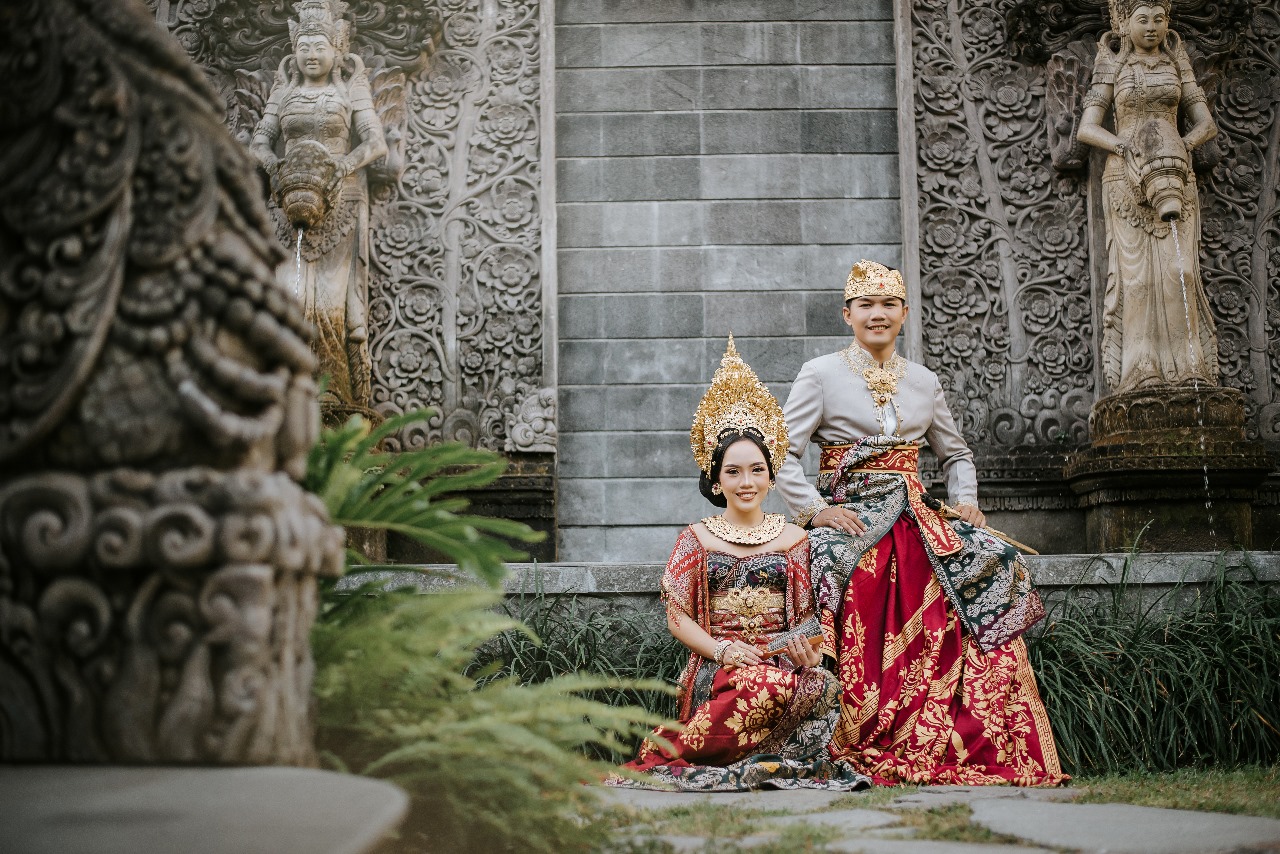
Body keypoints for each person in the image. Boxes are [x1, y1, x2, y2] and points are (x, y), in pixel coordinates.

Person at [777, 260, 1066, 786]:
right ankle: (839, 717)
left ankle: (973, 721)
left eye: (888, 304)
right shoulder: (819, 373)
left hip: (916, 510)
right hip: (852, 511)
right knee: (827, 560)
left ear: (905, 313)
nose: (878, 314)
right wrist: (816, 511)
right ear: (847, 314)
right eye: (866, 305)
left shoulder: (924, 381)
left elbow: (956, 455)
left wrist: (967, 501)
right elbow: (783, 455)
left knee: (992, 558)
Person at [611, 337, 869, 791]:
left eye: (756, 470)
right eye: (733, 471)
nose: (746, 482)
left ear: (772, 476)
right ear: (716, 479)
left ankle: (734, 752)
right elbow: (677, 617)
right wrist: (724, 650)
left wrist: (808, 654)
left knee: (823, 685)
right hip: (719, 668)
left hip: (781, 668)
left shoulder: (796, 539)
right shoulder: (695, 538)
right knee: (755, 685)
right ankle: (687, 749)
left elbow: (806, 621)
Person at [250, 0, 388, 408]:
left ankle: (331, 387)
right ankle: (281, 382)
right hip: (286, 199)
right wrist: (273, 166)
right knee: (286, 293)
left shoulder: (349, 89)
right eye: (304, 46)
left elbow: (375, 143)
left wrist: (343, 165)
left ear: (337, 50)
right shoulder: (285, 90)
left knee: (330, 300)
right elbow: (259, 142)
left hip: (339, 201)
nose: (311, 54)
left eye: (319, 46)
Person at [1075, 0, 1218, 392]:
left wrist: (1185, 143)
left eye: (1159, 19)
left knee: (1180, 272)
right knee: (1136, 280)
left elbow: (1206, 123)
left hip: (1176, 172)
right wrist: (1122, 146)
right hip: (1126, 176)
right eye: (1143, 19)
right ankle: (1140, 368)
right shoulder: (1113, 65)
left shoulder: (1176, 64)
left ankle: (1191, 367)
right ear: (1125, 24)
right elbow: (1087, 128)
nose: (1152, 27)